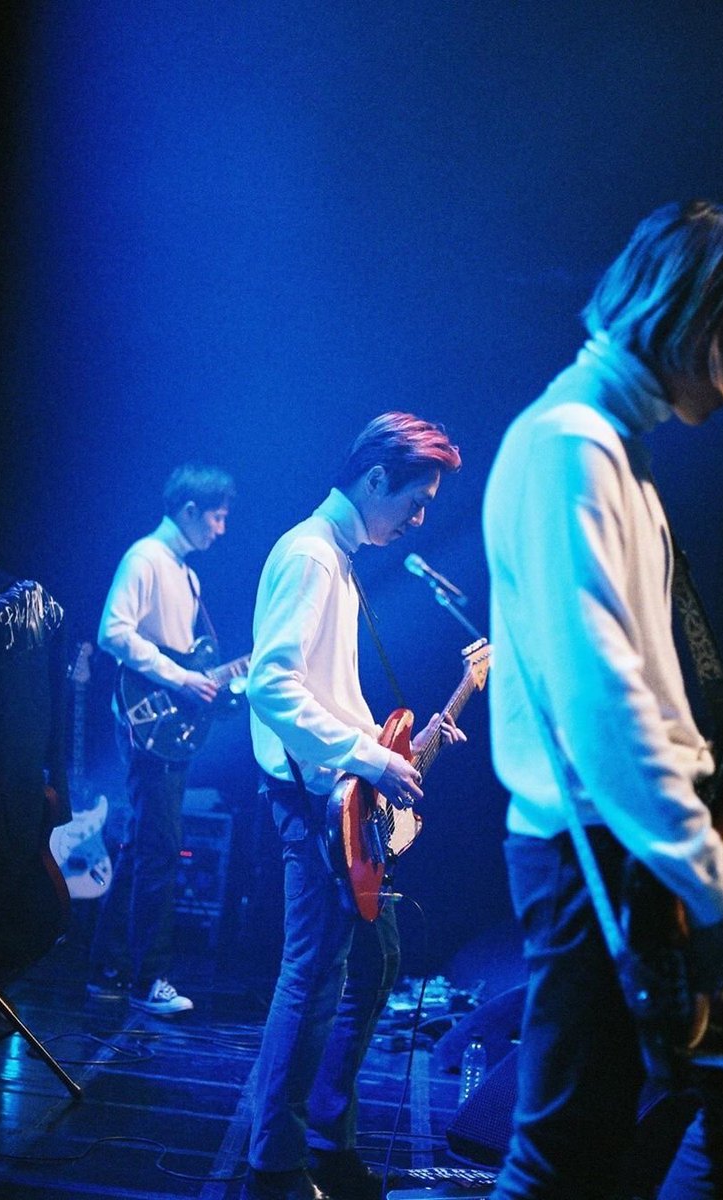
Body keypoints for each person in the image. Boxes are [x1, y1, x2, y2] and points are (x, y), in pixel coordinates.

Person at [482, 201, 723, 1199]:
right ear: (697, 323)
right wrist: (709, 892)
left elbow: (641, 698)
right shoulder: (569, 446)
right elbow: (603, 707)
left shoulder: (611, 449)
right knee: (567, 1158)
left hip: (632, 845)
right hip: (600, 853)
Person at [242, 413, 465, 1200]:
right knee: (311, 977)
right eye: (415, 500)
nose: (420, 519)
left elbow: (324, 693)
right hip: (309, 805)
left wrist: (392, 742)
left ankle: (320, 1137)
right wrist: (372, 758)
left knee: (367, 965)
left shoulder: (335, 559)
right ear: (375, 479)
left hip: (331, 793)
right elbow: (271, 687)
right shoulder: (310, 555)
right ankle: (275, 1162)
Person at [86, 463, 235, 1016]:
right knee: (161, 848)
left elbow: (191, 658)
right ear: (189, 510)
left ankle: (106, 968)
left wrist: (209, 684)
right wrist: (179, 679)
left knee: (143, 846)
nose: (221, 529)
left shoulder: (187, 576)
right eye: (216, 517)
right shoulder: (145, 558)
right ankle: (148, 978)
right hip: (144, 722)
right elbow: (112, 631)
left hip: (167, 727)